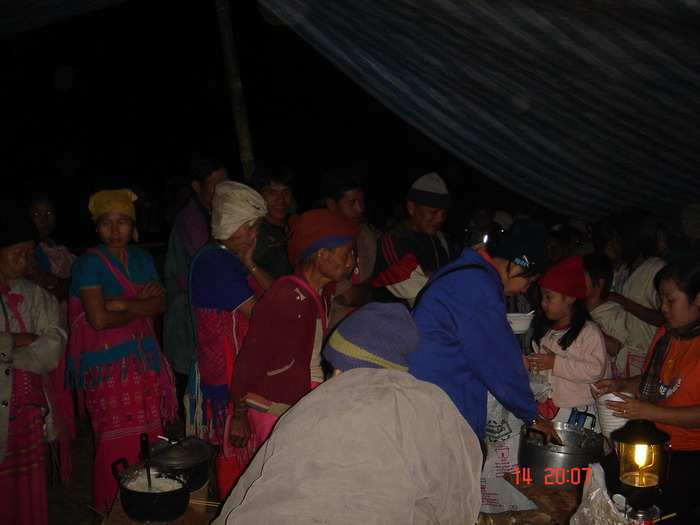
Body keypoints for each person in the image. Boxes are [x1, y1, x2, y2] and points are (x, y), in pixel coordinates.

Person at [213, 302, 482, 525]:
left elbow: (248, 489)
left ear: (339, 369)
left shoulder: (309, 406)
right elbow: (460, 497)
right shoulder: (433, 402)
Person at [66, 189, 177, 515]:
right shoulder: (88, 263)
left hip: (143, 364)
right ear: (96, 227)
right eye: (106, 223)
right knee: (112, 443)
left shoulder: (142, 259)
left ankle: (147, 504)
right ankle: (111, 510)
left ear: (133, 225)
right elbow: (98, 320)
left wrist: (122, 304)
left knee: (150, 439)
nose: (115, 230)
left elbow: (162, 303)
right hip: (107, 369)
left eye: (122, 222)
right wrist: (140, 304)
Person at [227, 209, 359, 460]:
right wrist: (239, 415)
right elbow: (250, 359)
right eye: (346, 254)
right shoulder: (287, 296)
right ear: (322, 254)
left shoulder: (321, 292)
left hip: (302, 397)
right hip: (275, 403)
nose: (350, 263)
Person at [408, 226, 551, 439]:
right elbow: (499, 363)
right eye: (529, 281)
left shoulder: (466, 270)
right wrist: (532, 416)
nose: (524, 289)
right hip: (439, 393)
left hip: (421, 384)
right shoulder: (480, 288)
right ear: (515, 266)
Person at [594, 259, 700, 523]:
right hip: (653, 444)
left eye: (670, 300)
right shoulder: (666, 334)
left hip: (689, 453)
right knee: (601, 482)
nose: (663, 308)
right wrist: (621, 384)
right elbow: (655, 380)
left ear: (698, 298)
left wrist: (649, 411)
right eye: (661, 300)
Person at [185, 181, 272, 499]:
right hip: (230, 380)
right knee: (237, 458)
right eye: (250, 227)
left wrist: (250, 262)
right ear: (230, 225)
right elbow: (267, 314)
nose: (254, 235)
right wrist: (239, 410)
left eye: (257, 227)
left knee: (243, 458)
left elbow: (276, 297)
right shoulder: (213, 263)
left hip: (241, 374)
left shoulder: (231, 260)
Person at [0, 207, 67, 525]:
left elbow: (52, 348)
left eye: (29, 254)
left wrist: (6, 351)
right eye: (17, 252)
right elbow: (34, 344)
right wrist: (16, 340)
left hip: (27, 413)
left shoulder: (36, 296)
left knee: (26, 488)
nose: (25, 261)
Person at [163, 155, 229, 412]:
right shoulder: (189, 221)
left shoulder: (216, 213)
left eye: (226, 182)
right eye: (215, 184)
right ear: (197, 186)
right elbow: (212, 268)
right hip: (188, 316)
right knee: (194, 394)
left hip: (203, 312)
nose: (222, 190)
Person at [528, 256, 609, 431]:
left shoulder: (588, 332)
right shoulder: (546, 332)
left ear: (570, 298)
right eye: (542, 296)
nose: (543, 303)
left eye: (549, 297)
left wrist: (556, 363)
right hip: (549, 407)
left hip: (578, 410)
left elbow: (596, 369)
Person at [372, 172, 455, 306]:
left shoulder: (444, 240)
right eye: (433, 211)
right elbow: (422, 296)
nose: (440, 218)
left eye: (444, 213)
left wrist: (434, 277)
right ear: (411, 207)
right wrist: (444, 277)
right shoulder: (393, 241)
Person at [604, 209, 666, 376]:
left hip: (643, 357)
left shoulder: (656, 269)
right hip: (620, 355)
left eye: (617, 238)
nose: (613, 243)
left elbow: (664, 318)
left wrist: (620, 300)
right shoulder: (624, 270)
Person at [320, 168, 381, 330]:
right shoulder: (322, 242)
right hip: (333, 330)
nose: (359, 209)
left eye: (361, 202)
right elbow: (347, 297)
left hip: (366, 324)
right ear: (332, 204)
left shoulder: (366, 234)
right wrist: (374, 281)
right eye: (351, 203)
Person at [582, 253, 627, 378]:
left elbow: (613, 349)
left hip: (605, 379)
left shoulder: (614, 311)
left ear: (599, 283)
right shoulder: (575, 309)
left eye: (581, 278)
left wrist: (586, 323)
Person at [250, 161, 295, 278]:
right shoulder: (254, 232)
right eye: (272, 192)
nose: (281, 200)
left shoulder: (297, 225)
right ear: (258, 195)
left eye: (286, 192)